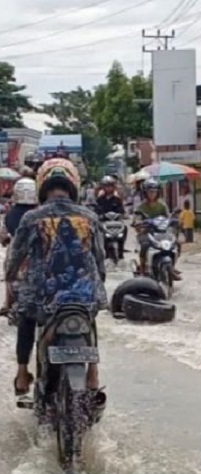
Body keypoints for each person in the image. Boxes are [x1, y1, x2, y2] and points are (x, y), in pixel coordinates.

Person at [5, 158, 107, 404]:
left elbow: (14, 258)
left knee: (26, 315)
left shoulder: (31, 218)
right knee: (88, 311)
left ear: (42, 186)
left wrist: (9, 277)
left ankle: (21, 374)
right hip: (82, 296)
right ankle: (93, 372)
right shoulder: (90, 217)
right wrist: (97, 283)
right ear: (73, 185)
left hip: (44, 299)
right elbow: (100, 261)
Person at [0, 178, 38, 315]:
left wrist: (6, 240)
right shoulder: (41, 212)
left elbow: (3, 236)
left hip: (16, 250)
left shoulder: (10, 214)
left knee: (9, 272)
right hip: (38, 250)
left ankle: (8, 303)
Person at [133, 178, 181, 280]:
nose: (152, 194)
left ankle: (172, 267)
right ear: (145, 193)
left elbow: (168, 217)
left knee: (176, 243)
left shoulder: (162, 205)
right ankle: (142, 270)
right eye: (149, 192)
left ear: (158, 192)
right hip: (146, 233)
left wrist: (174, 220)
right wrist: (138, 224)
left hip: (162, 233)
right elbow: (136, 220)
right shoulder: (140, 207)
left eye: (154, 192)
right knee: (144, 245)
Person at [95, 175, 127, 257]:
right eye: (106, 186)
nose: (108, 188)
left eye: (110, 186)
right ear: (103, 187)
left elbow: (122, 211)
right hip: (104, 223)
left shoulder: (117, 199)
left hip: (116, 223)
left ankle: (121, 250)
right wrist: (100, 215)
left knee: (125, 228)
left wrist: (121, 215)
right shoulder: (100, 199)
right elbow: (96, 210)